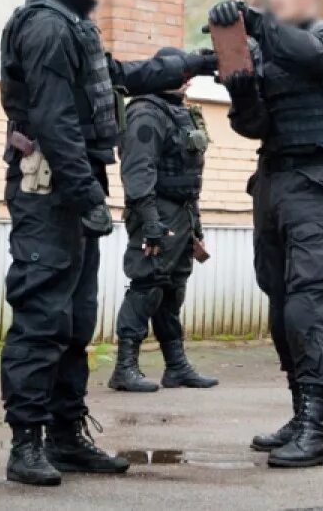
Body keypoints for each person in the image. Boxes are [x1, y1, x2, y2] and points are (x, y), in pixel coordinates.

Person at [0, 0, 219, 486]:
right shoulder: (45, 26)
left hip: (73, 191)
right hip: (50, 192)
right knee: (41, 319)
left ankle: (66, 437)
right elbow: (54, 122)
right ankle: (27, 445)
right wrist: (88, 194)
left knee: (74, 321)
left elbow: (120, 77)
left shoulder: (76, 26)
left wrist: (192, 62)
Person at [207, 0, 323, 468]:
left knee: (306, 302)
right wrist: (242, 87)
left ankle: (318, 429)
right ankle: (299, 413)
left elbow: (310, 57)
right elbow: (252, 126)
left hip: (313, 182)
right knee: (277, 301)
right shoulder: (266, 49)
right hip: (271, 180)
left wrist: (255, 22)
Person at [108, 53, 218, 393]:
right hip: (156, 211)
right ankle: (124, 367)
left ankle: (176, 366)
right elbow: (138, 171)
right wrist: (151, 221)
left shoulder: (181, 112)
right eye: (181, 73)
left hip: (181, 212)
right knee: (148, 285)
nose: (187, 79)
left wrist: (194, 224)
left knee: (172, 289)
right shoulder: (145, 112)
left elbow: (188, 174)